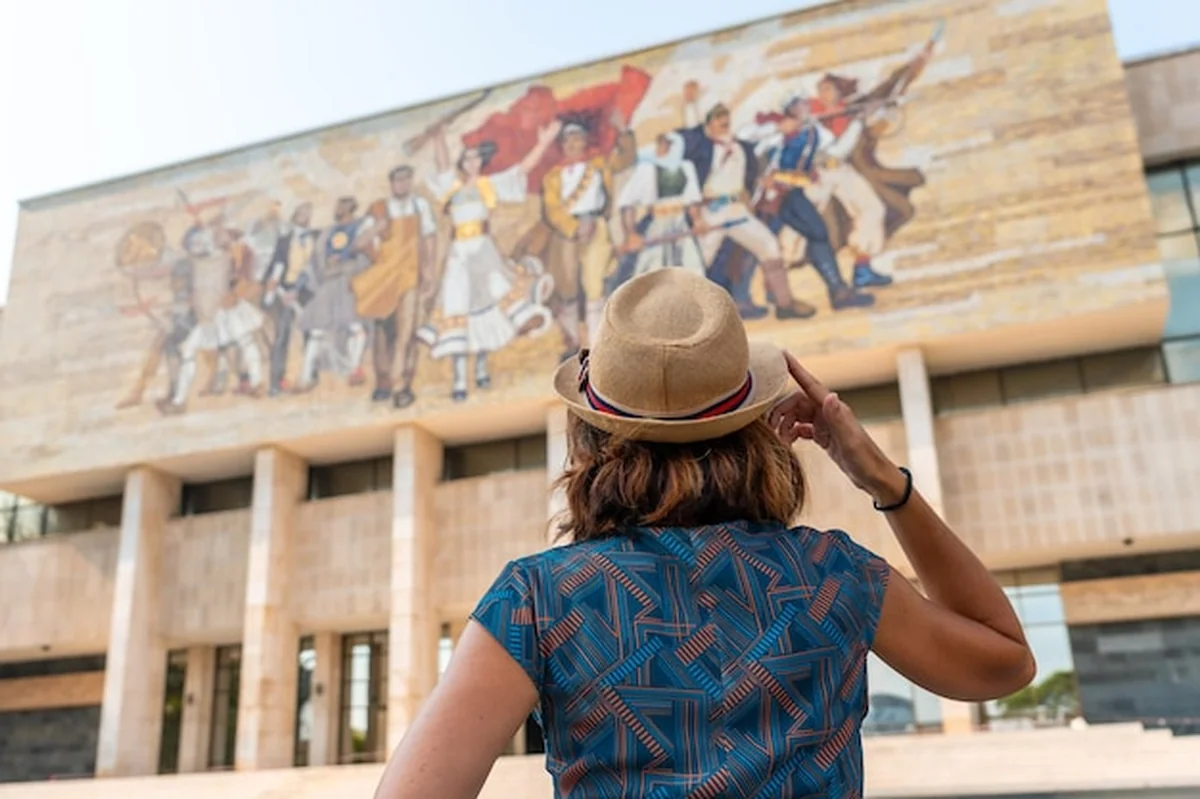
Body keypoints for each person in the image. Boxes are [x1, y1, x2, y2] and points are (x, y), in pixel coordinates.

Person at [374, 269, 1035, 799]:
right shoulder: (833, 575)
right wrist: (885, 481)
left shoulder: (540, 600)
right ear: (757, 422)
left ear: (593, 434)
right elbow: (1006, 659)